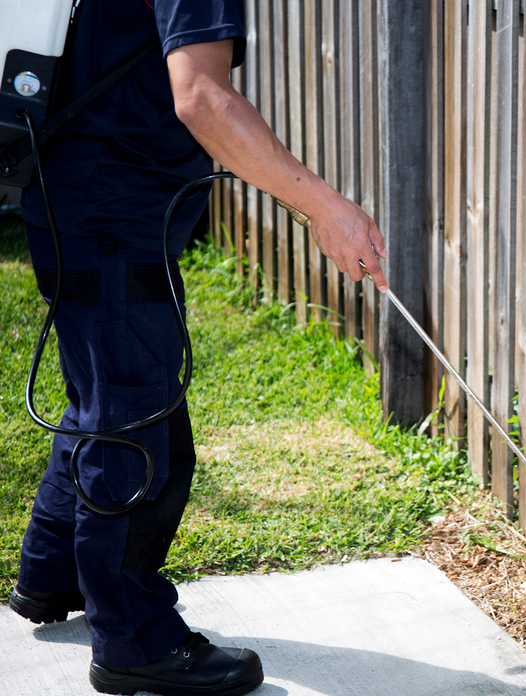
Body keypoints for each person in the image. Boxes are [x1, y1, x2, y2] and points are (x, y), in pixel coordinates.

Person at [9, 1, 387, 695]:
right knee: (136, 425)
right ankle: (134, 641)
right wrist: (323, 206)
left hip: (67, 187)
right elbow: (203, 99)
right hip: (112, 209)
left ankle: (49, 575)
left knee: (102, 393)